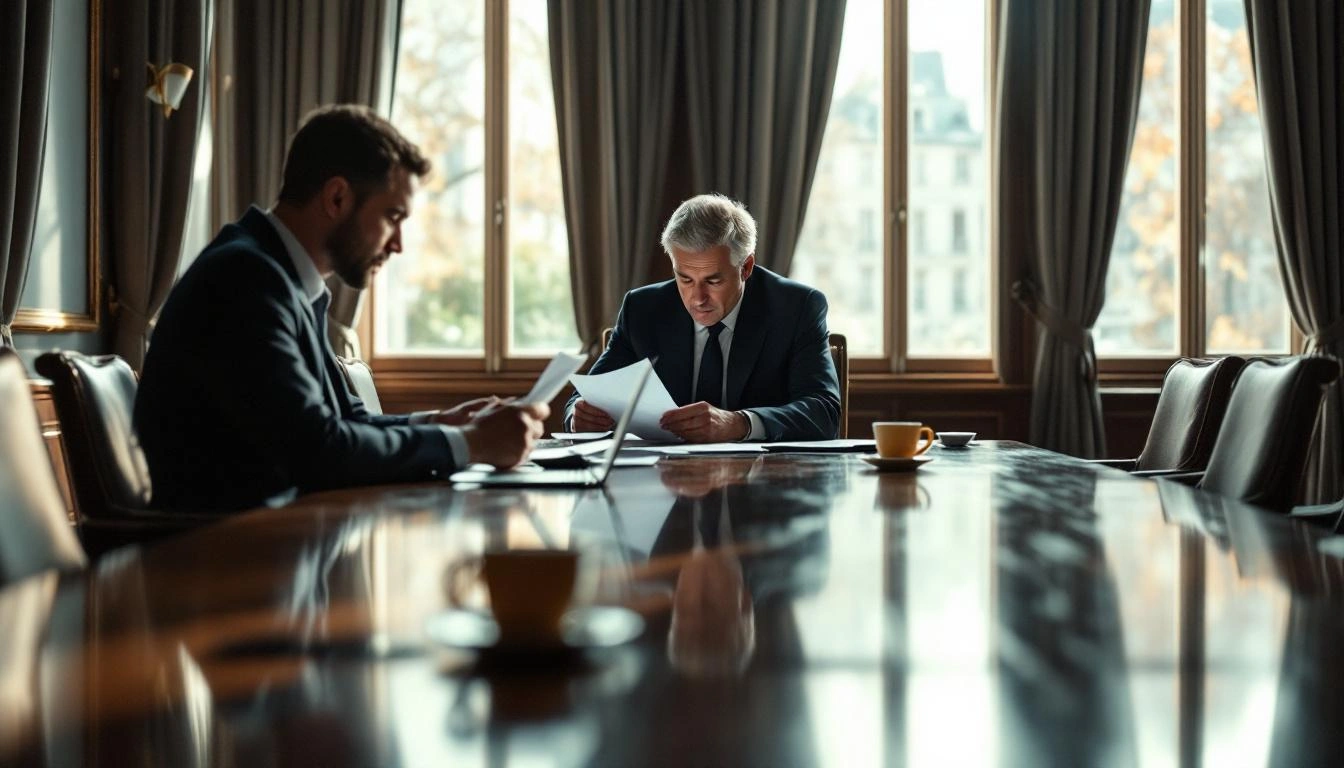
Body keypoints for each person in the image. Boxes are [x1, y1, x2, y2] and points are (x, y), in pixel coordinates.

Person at [135, 105, 546, 512]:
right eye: (393, 216)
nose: (398, 244)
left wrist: (442, 422)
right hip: (225, 548)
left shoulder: (281, 276)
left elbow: (344, 419)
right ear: (337, 198)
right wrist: (470, 443)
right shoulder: (245, 279)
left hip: (277, 534)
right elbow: (317, 449)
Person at [565, 193, 840, 442]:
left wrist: (740, 424)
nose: (697, 298)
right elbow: (586, 396)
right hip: (661, 475)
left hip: (763, 477)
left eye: (713, 281)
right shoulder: (642, 310)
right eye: (685, 279)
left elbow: (823, 412)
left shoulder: (796, 308)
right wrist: (579, 416)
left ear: (745, 267)